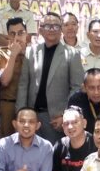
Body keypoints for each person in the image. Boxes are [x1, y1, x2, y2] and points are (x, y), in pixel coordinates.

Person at [16, 11, 84, 144]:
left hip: (55, 119)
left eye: (56, 26)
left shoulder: (72, 54)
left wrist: (66, 115)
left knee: (53, 155)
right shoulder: (31, 52)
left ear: (61, 29)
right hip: (31, 116)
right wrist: (20, 113)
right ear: (40, 29)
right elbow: (23, 85)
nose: (52, 29)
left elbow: (77, 88)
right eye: (47, 26)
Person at [0, 17, 27, 137]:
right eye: (13, 34)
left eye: (20, 33)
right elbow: (4, 81)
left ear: (26, 34)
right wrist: (12, 55)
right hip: (8, 105)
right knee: (7, 142)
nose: (17, 37)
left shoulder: (33, 53)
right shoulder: (0, 53)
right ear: (8, 36)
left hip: (28, 105)